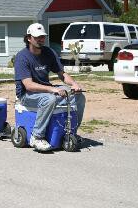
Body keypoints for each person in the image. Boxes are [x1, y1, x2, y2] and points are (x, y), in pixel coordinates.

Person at [14, 23, 86, 151]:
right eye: (37, 37)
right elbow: (28, 85)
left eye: (42, 37)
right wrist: (54, 90)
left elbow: (61, 74)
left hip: (45, 91)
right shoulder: (22, 57)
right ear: (29, 38)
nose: (41, 39)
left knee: (79, 96)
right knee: (49, 99)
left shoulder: (49, 52)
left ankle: (71, 133)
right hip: (26, 95)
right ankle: (36, 137)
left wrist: (74, 84)